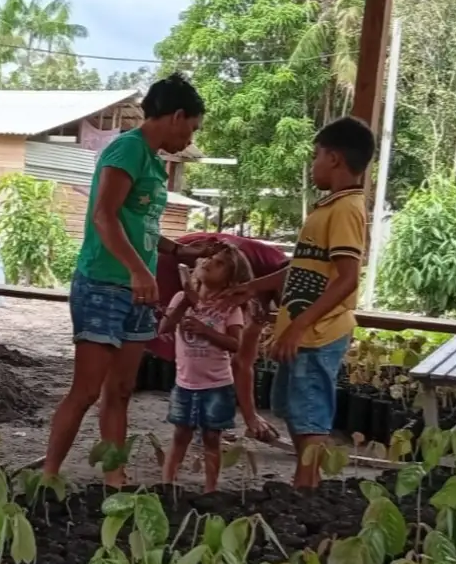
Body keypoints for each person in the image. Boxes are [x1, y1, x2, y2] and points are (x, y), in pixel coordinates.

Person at [40, 73, 217, 485]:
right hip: (104, 282)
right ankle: (47, 476)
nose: (189, 139)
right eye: (191, 128)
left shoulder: (153, 161)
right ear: (176, 116)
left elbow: (141, 225)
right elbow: (104, 216)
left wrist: (179, 251)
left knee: (120, 390)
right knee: (86, 391)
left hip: (136, 289)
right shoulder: (127, 149)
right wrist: (139, 269)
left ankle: (114, 478)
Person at [224, 116, 376, 488]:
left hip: (319, 332)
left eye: (316, 155)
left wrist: (299, 326)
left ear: (334, 158)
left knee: (309, 412)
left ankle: (306, 487)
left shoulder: (346, 209)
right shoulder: (328, 208)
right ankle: (305, 482)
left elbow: (347, 278)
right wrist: (254, 286)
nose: (313, 164)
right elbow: (303, 268)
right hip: (304, 330)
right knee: (292, 407)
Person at [152, 232, 290, 442]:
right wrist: (251, 418)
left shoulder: (270, 270)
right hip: (171, 264)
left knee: (203, 343)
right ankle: (202, 422)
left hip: (187, 257)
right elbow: (241, 361)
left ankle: (203, 421)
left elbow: (240, 352)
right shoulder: (246, 273)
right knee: (189, 346)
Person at [159, 246, 252, 492]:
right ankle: (167, 485)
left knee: (212, 438)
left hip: (217, 386)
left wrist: (205, 331)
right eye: (209, 258)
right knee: (181, 434)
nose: (210, 262)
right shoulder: (181, 298)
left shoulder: (229, 308)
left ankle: (210, 489)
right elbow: (164, 328)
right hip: (184, 383)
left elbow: (235, 344)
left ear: (230, 279)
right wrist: (185, 302)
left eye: (219, 264)